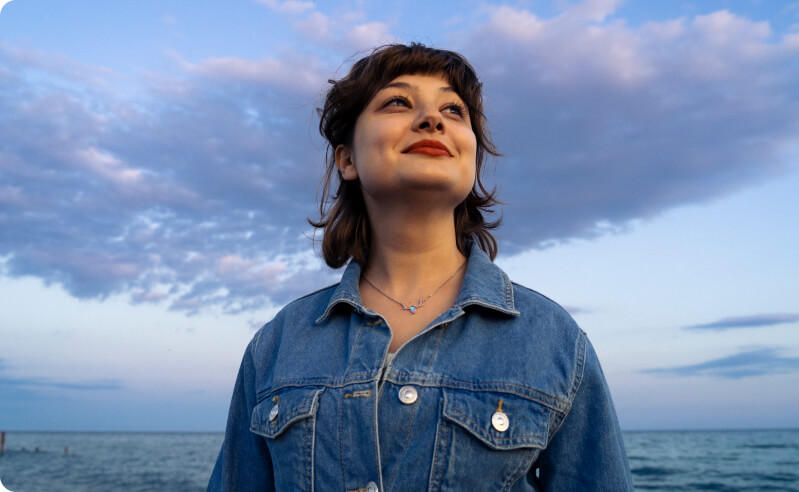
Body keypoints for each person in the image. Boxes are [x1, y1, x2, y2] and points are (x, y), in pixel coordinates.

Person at [208, 43, 634, 491]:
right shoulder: (276, 345)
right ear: (347, 159)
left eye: (454, 109)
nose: (433, 119)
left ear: (471, 155)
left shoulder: (555, 341)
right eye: (398, 101)